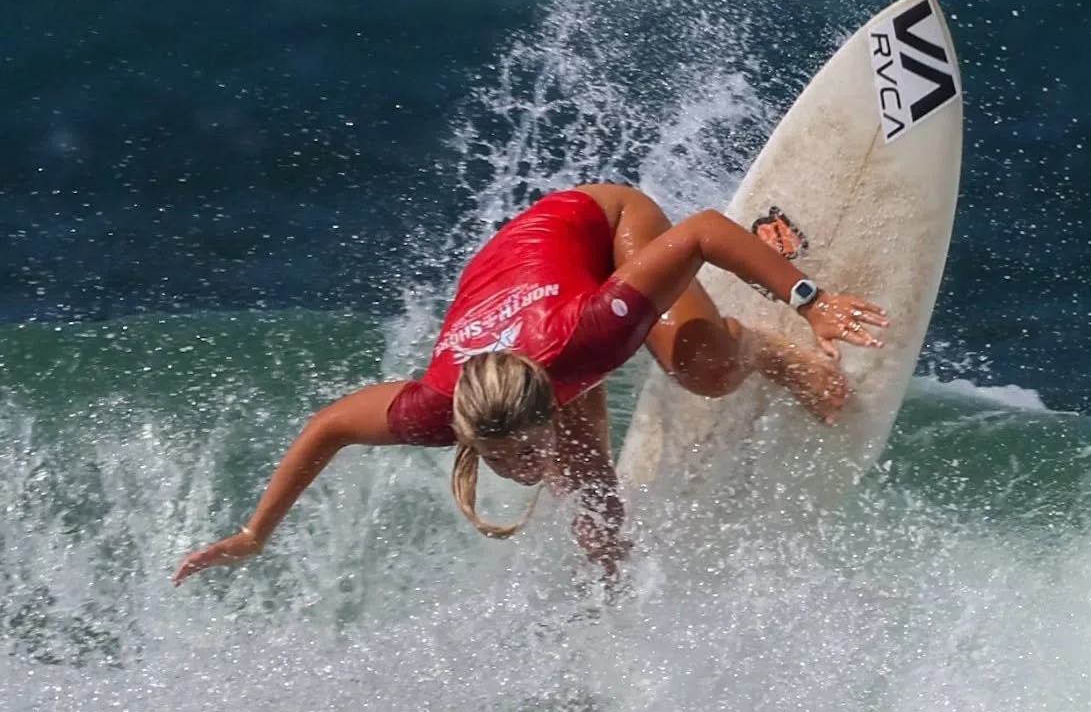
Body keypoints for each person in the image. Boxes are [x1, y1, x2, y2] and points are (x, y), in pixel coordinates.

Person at [172, 183, 887, 584]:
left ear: (550, 403)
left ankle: (762, 352)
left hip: (597, 224)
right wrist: (252, 532)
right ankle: (620, 622)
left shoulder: (588, 332)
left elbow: (701, 229)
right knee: (596, 518)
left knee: (704, 372)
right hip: (520, 270)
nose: (523, 469)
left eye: (526, 450)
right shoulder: (434, 408)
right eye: (503, 458)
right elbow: (328, 424)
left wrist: (809, 300)